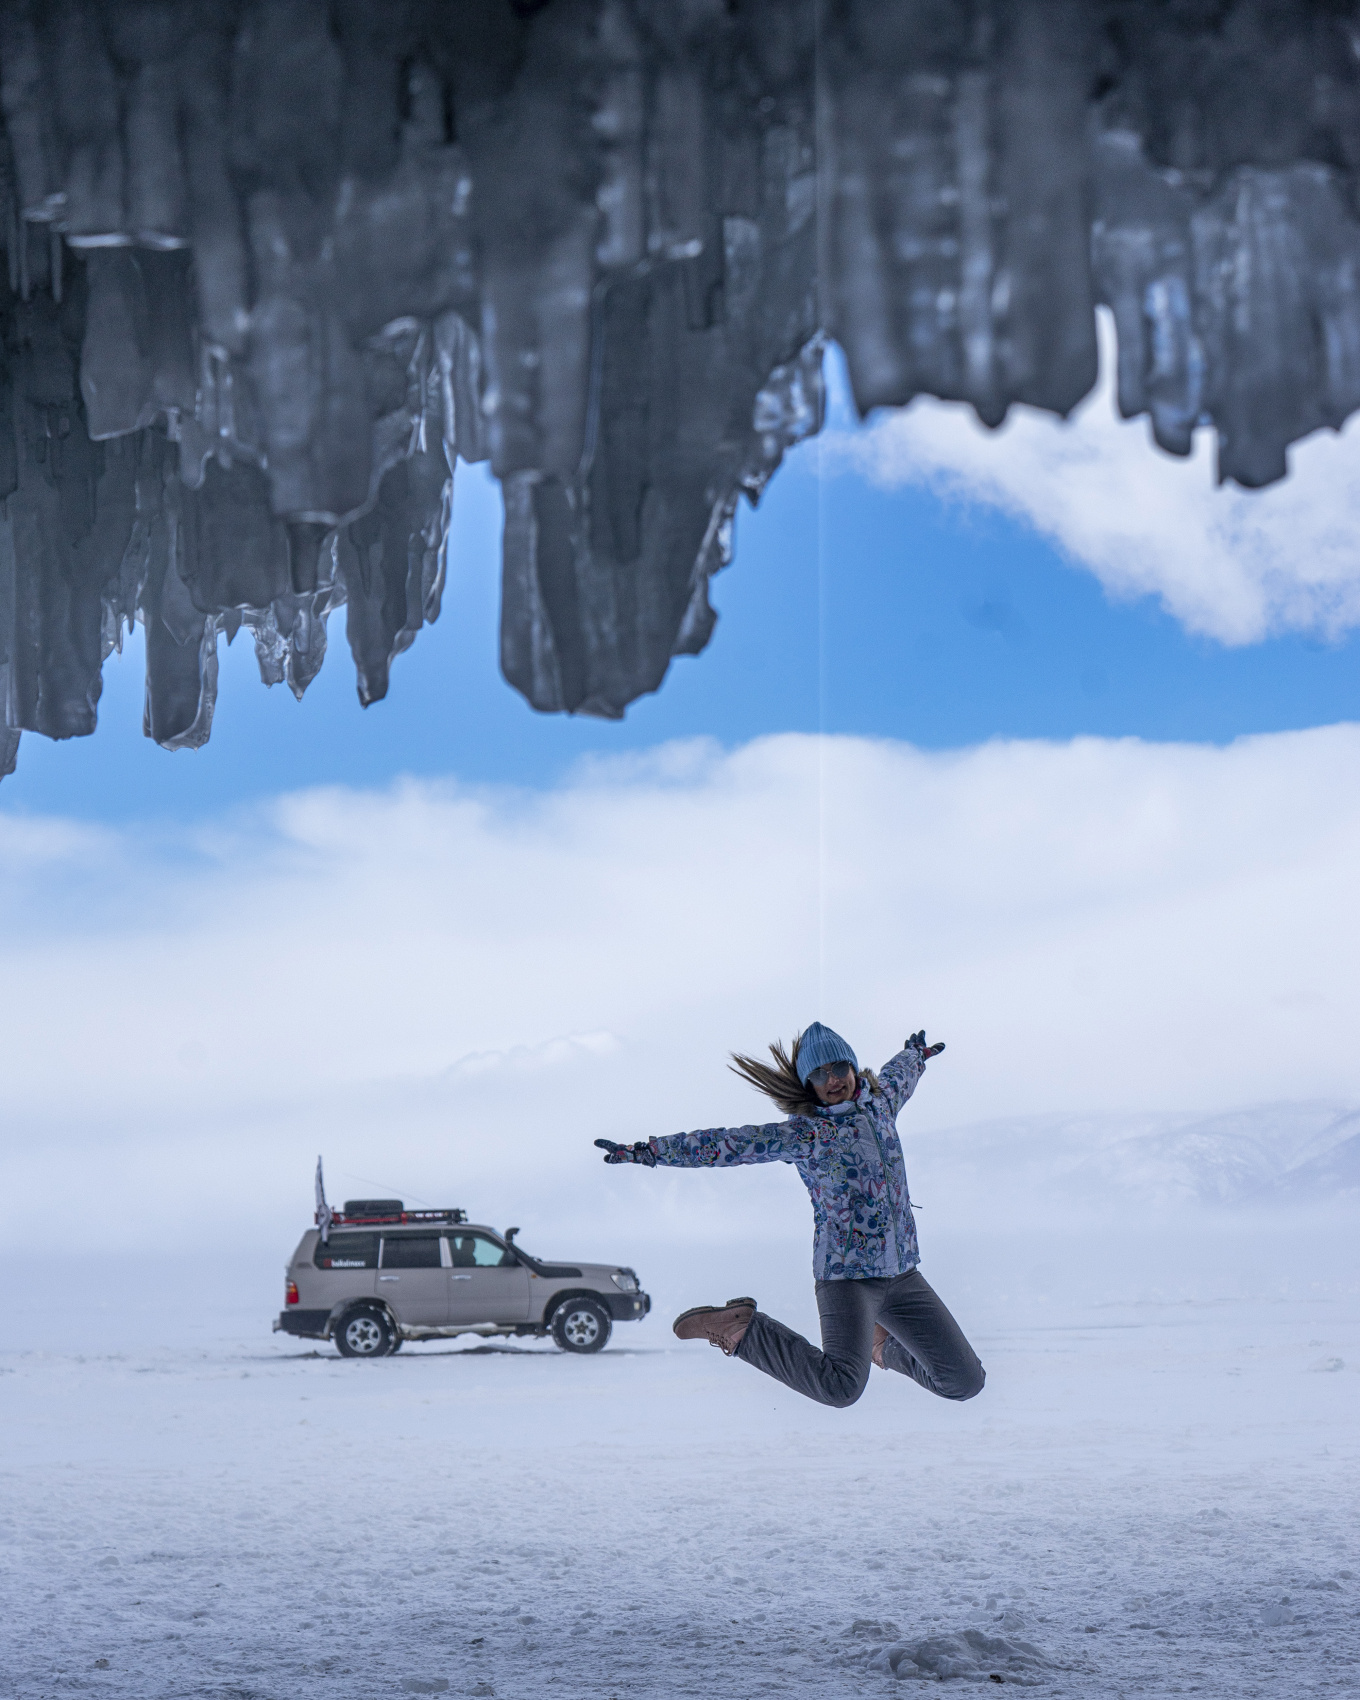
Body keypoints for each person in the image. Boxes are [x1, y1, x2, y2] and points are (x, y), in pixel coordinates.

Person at [598, 1022, 984, 1410]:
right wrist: (652, 1151)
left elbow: (899, 1075)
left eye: (838, 1068)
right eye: (819, 1074)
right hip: (846, 1278)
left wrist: (916, 1055)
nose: (832, 1079)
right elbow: (728, 1144)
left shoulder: (880, 1105)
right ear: (808, 1085)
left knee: (964, 1381)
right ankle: (743, 1329)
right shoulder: (806, 1134)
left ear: (852, 1067)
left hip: (902, 1274)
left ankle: (880, 1345)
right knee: (840, 1388)